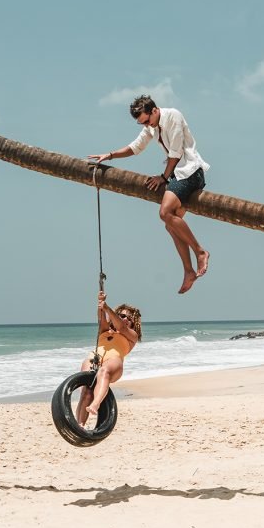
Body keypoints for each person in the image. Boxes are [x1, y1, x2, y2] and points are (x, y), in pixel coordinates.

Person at [89, 95, 210, 294]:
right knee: (171, 226)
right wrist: (109, 155)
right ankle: (188, 271)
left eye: (146, 120)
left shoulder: (173, 116)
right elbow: (135, 148)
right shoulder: (152, 127)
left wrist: (163, 177)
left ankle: (200, 251)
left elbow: (176, 153)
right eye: (142, 123)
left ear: (154, 110)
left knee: (165, 214)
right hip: (177, 175)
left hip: (190, 172)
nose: (145, 125)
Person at [76, 292, 141, 426]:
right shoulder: (105, 330)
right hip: (95, 358)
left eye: (130, 318)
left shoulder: (131, 335)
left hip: (113, 362)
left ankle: (96, 404)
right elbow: (101, 319)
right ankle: (80, 425)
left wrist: (107, 308)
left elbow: (121, 327)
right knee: (86, 392)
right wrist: (100, 303)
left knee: (103, 371)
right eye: (122, 315)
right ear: (116, 316)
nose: (125, 319)